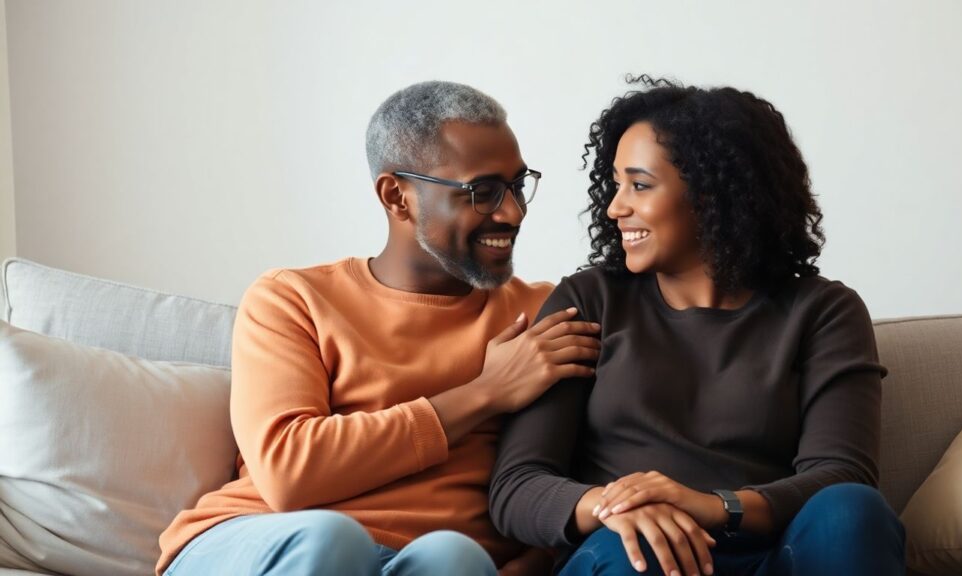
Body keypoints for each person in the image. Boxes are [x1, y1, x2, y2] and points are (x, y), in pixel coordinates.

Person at [156, 81, 602, 576]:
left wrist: (538, 561)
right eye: (483, 192)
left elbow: (576, 467)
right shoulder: (293, 299)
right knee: (331, 541)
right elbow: (288, 472)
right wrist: (485, 392)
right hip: (264, 542)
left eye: (518, 185)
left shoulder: (546, 312)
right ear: (397, 197)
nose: (512, 212)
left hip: (422, 563)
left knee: (454, 558)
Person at [489, 76, 906, 576]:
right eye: (616, 183)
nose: (614, 207)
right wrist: (616, 506)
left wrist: (712, 505)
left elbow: (842, 473)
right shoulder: (591, 300)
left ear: (713, 194)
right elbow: (518, 485)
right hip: (635, 555)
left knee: (852, 512)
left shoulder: (823, 311)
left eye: (639, 185)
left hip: (772, 554)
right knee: (635, 552)